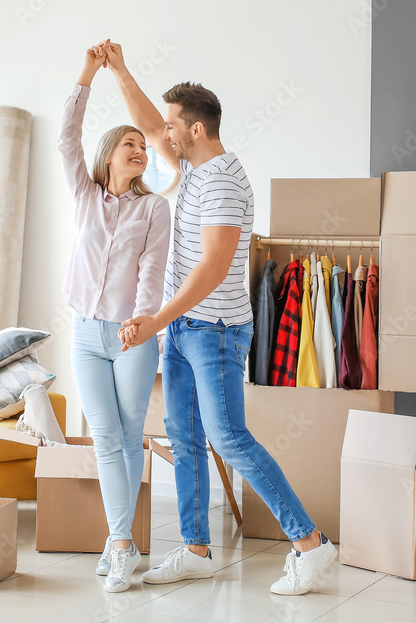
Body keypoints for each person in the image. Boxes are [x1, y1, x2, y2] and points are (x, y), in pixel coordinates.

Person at [101, 40, 338, 596]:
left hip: (217, 332)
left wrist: (156, 320)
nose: (163, 135)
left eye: (173, 128)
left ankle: (310, 544)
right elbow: (148, 123)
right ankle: (196, 550)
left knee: (229, 438)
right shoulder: (195, 167)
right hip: (186, 330)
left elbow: (212, 267)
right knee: (184, 438)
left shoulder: (225, 180)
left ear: (198, 131)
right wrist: (119, 70)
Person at [58, 43, 171, 593]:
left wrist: (144, 319)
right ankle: (122, 542)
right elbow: (66, 136)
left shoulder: (154, 208)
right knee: (104, 435)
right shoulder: (85, 195)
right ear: (108, 155)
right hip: (85, 333)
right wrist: (88, 73)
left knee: (130, 436)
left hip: (132, 335)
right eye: (131, 144)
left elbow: (153, 270)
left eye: (144, 147)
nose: (141, 151)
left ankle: (119, 543)